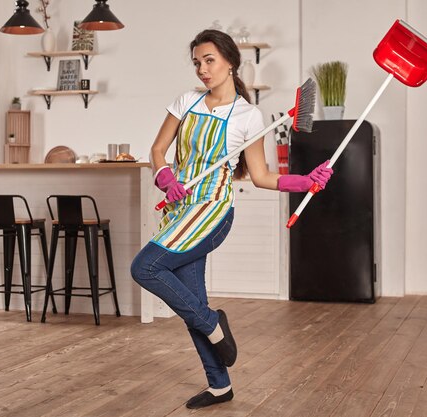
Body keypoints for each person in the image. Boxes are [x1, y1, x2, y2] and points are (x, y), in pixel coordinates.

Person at [130, 29, 333, 409]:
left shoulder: (248, 115)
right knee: (191, 296)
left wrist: (305, 181)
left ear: (230, 62)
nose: (202, 70)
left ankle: (212, 323)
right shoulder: (186, 101)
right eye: (196, 63)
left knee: (144, 268)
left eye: (209, 61)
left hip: (212, 211)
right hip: (179, 209)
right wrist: (165, 177)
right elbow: (159, 149)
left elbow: (261, 176)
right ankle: (220, 384)